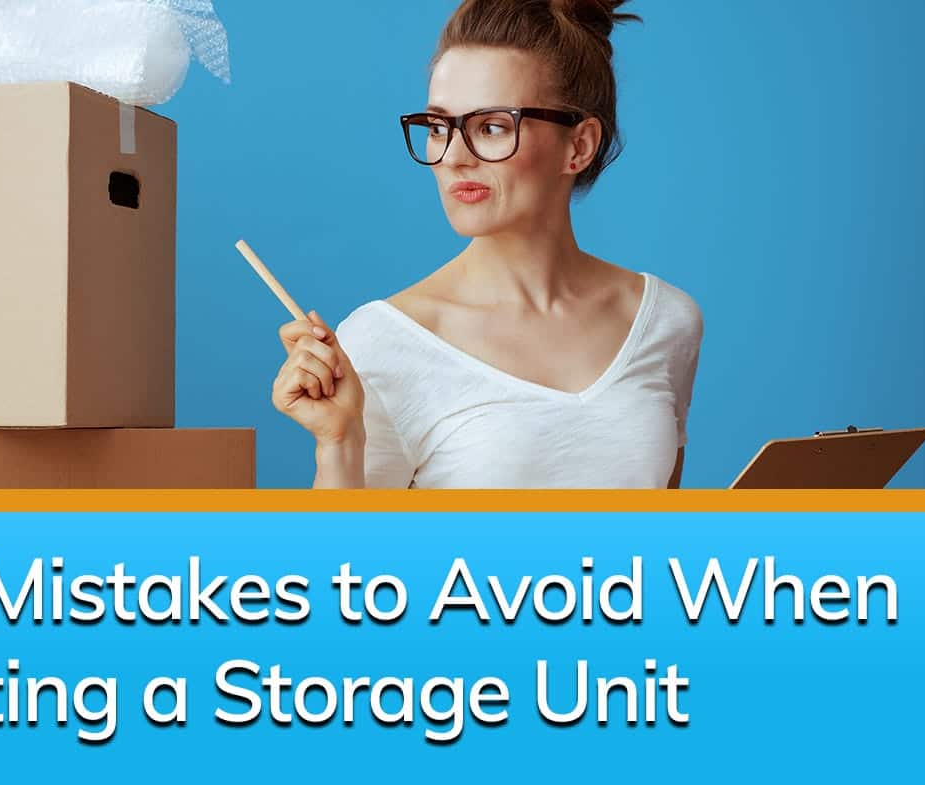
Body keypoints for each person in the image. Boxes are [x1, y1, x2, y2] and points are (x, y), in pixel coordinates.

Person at [271, 0, 702, 489]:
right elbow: (343, 564)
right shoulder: (382, 342)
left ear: (578, 146)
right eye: (438, 128)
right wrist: (340, 444)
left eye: (492, 127)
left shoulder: (666, 320)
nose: (453, 157)